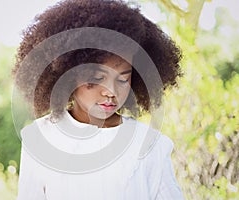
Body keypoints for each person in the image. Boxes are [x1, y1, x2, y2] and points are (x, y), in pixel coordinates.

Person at [12, 0, 184, 199]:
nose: (111, 92)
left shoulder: (151, 145)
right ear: (66, 73)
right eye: (96, 78)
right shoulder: (39, 139)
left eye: (122, 79)